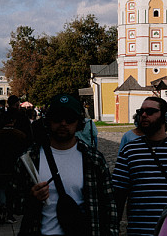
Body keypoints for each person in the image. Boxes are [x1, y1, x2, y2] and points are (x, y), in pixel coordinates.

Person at [13, 94, 119, 236]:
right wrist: (31, 197)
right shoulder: (30, 158)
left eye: (69, 119)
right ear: (48, 121)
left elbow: (109, 206)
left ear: (79, 122)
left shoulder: (93, 159)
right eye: (57, 118)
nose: (63, 123)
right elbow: (13, 204)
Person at [112, 96, 167, 236]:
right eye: (141, 112)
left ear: (164, 116)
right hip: (139, 230)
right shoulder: (129, 150)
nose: (144, 115)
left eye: (150, 111)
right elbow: (118, 194)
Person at [0, 113, 28, 225]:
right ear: (13, 121)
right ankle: (10, 214)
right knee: (12, 190)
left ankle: (3, 206)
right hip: (14, 167)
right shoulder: (20, 135)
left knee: (0, 188)